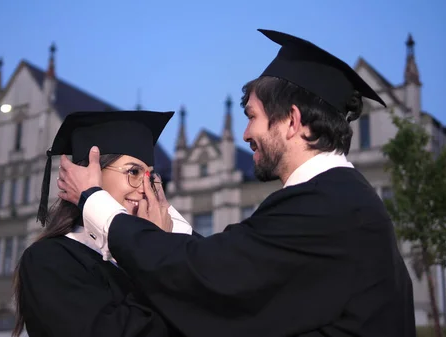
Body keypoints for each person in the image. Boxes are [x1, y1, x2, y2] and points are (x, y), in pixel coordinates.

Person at [57, 29, 416, 337]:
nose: (246, 134)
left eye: (253, 117)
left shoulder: (325, 205)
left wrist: (92, 199)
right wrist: (166, 230)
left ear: (292, 121)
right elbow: (233, 269)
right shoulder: (342, 199)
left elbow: (214, 281)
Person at [12, 110, 192, 337]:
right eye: (134, 172)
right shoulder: (49, 260)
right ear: (91, 176)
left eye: (151, 177)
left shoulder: (142, 251)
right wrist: (156, 257)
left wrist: (160, 246)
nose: (145, 189)